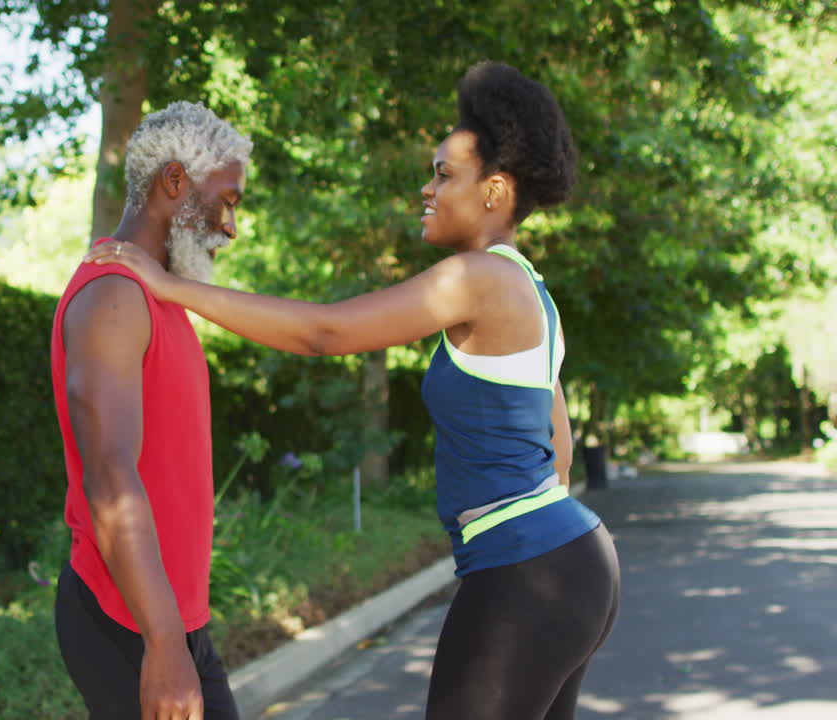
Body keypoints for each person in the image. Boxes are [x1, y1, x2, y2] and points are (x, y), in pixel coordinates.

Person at [85, 62, 621, 720]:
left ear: (495, 191)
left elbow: (325, 332)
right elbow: (557, 453)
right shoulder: (534, 293)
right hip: (580, 563)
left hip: (526, 573)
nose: (426, 190)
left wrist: (174, 287)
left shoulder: (476, 278)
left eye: (444, 175)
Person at [51, 100, 252, 720]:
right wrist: (163, 644)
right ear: (174, 182)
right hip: (127, 622)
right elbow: (110, 479)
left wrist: (176, 634)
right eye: (229, 199)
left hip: (166, 619)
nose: (231, 226)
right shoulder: (114, 296)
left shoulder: (158, 294)